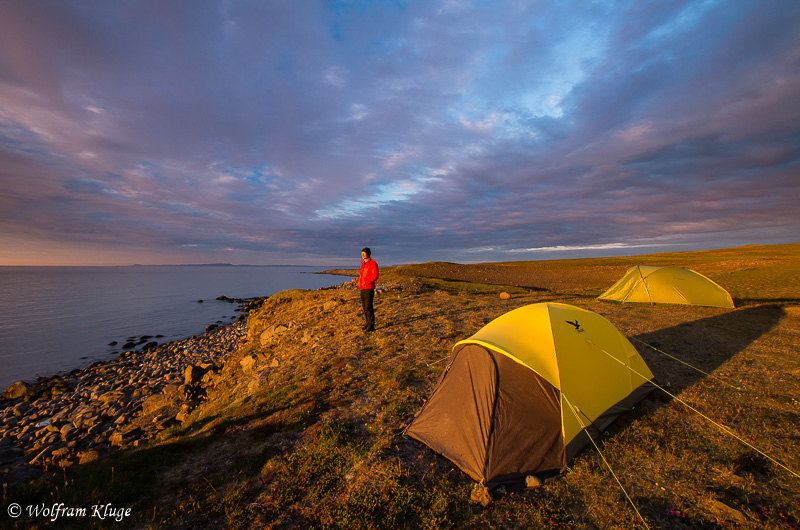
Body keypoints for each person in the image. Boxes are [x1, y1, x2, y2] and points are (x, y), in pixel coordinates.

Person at [357, 247, 379, 332]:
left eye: (364, 253)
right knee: (364, 307)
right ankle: (367, 322)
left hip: (369, 288)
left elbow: (375, 276)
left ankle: (371, 324)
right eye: (361, 254)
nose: (362, 255)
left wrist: (366, 282)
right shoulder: (363, 264)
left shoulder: (373, 263)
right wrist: (359, 282)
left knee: (369, 306)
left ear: (368, 254)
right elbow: (361, 275)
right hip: (362, 287)